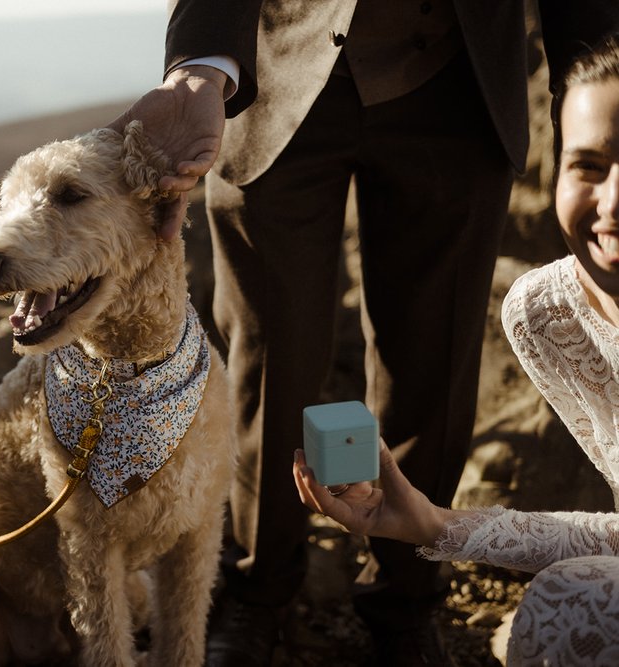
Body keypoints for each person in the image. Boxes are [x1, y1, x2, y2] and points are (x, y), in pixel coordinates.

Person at [110, 2, 619, 665]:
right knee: (270, 357)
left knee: (434, 360)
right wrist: (199, 69)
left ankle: (406, 595)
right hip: (276, 74)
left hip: (461, 78)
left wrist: (596, 97)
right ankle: (256, 589)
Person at [295, 33, 619, 666]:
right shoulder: (554, 314)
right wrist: (431, 524)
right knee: (571, 599)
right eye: (589, 165)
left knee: (568, 607)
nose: (613, 205)